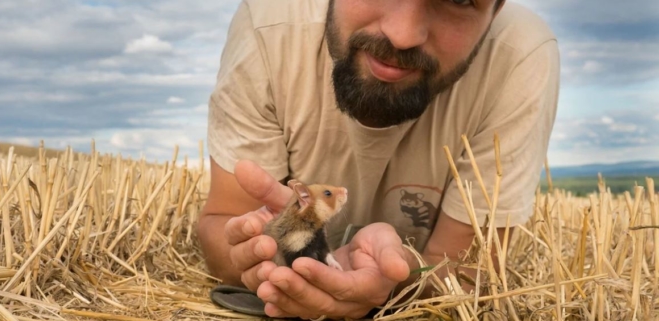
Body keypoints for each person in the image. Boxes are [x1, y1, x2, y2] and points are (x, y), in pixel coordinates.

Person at [198, 0, 559, 319]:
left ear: (496, 9)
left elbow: (464, 272)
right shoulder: (268, 22)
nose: (402, 35)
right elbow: (224, 222)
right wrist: (259, 261)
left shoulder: (520, 55)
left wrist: (390, 284)